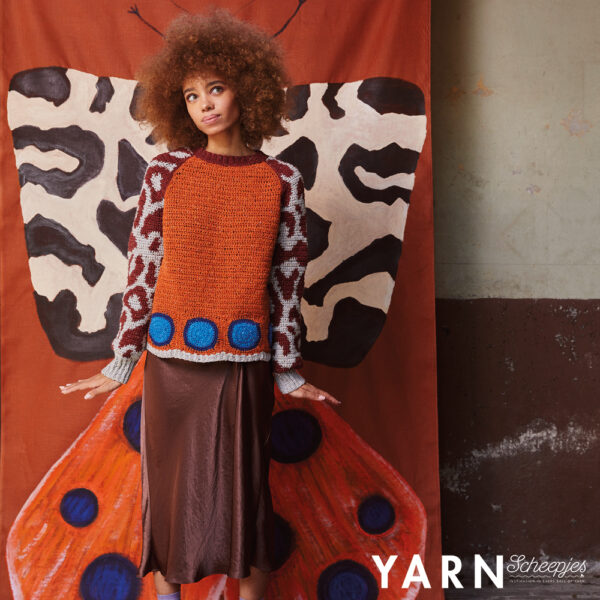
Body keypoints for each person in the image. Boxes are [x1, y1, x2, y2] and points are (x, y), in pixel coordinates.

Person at [59, 7, 339, 600]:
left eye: (216, 88)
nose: (205, 105)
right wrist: (121, 359)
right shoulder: (166, 171)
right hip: (170, 367)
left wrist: (288, 369)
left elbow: (287, 280)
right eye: (190, 96)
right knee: (170, 495)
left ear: (248, 89)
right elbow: (143, 264)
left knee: (245, 499)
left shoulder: (283, 180)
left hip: (244, 367)